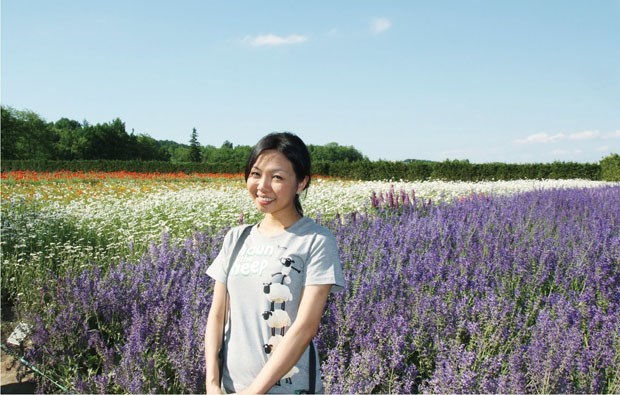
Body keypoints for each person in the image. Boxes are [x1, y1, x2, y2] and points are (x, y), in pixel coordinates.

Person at [204, 132, 345, 394]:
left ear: (301, 182)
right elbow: (217, 315)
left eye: (277, 177)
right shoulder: (236, 238)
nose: (262, 186)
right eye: (256, 174)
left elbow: (306, 327)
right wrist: (212, 383)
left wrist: (254, 391)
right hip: (230, 388)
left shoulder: (316, 241)